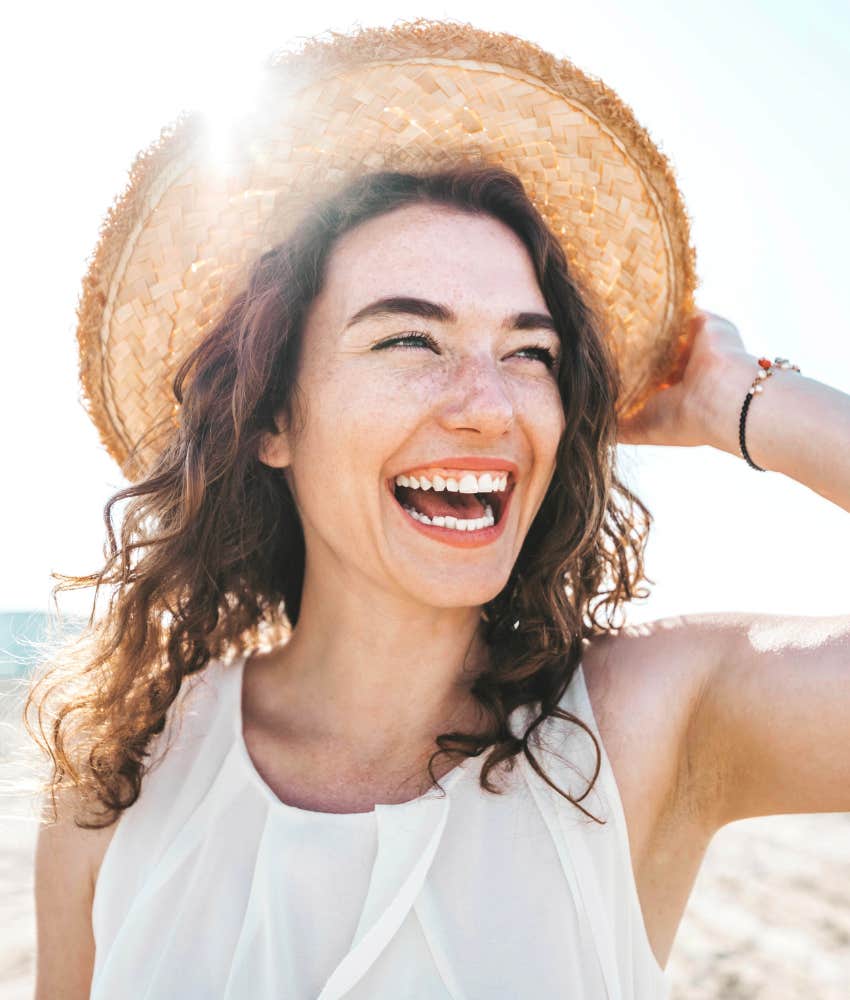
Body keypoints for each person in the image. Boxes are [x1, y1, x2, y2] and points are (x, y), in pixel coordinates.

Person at [27, 20, 850, 1000]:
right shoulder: (121, 775)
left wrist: (741, 400)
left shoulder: (647, 720)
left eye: (529, 351)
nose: (489, 404)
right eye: (411, 340)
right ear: (272, 417)